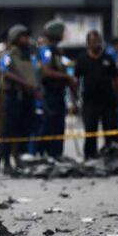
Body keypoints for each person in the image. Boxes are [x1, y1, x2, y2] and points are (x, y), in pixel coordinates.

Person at [0, 25, 41, 174]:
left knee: (23, 130)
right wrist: (24, 83)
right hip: (13, 96)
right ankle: (6, 162)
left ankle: (18, 158)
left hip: (27, 98)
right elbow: (5, 71)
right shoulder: (8, 55)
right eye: (23, 36)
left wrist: (35, 88)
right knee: (9, 130)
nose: (26, 40)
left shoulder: (28, 55)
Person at [75, 30, 118, 159]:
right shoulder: (82, 59)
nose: (96, 44)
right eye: (93, 42)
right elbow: (76, 80)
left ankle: (112, 157)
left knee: (111, 131)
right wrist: (75, 99)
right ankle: (90, 157)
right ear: (88, 44)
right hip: (89, 102)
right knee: (90, 131)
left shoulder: (108, 58)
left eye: (98, 41)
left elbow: (116, 78)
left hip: (108, 102)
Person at [35, 21, 76, 158]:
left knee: (59, 125)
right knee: (49, 124)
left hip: (59, 93)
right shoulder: (46, 50)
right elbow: (47, 71)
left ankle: (56, 153)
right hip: (49, 92)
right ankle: (42, 153)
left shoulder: (57, 50)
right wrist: (67, 77)